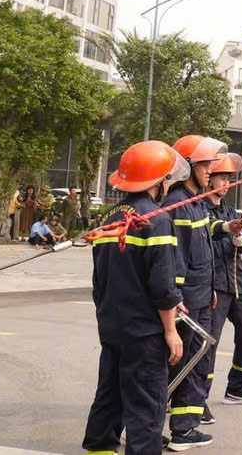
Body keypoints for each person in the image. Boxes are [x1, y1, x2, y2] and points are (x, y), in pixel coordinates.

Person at [81, 140, 186, 455]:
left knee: (109, 395)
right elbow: (163, 285)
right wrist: (170, 331)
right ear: (158, 182)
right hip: (144, 332)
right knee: (146, 407)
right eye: (167, 178)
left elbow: (99, 279)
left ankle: (99, 449)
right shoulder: (156, 219)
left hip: (113, 325)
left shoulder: (109, 217)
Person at [165, 133, 240, 447]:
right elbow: (173, 258)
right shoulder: (176, 204)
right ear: (188, 165)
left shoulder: (196, 204)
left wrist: (224, 228)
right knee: (176, 367)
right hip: (184, 303)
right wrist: (176, 300)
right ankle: (146, 424)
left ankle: (185, 428)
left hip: (201, 296)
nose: (212, 169)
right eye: (205, 163)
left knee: (195, 364)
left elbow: (203, 238)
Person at [205, 153, 242, 408]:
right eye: (222, 178)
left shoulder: (230, 209)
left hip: (240, 283)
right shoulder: (199, 210)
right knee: (208, 343)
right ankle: (197, 396)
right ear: (208, 180)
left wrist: (241, 238)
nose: (226, 184)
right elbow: (212, 228)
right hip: (214, 284)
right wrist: (227, 228)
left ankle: (237, 386)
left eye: (229, 179)